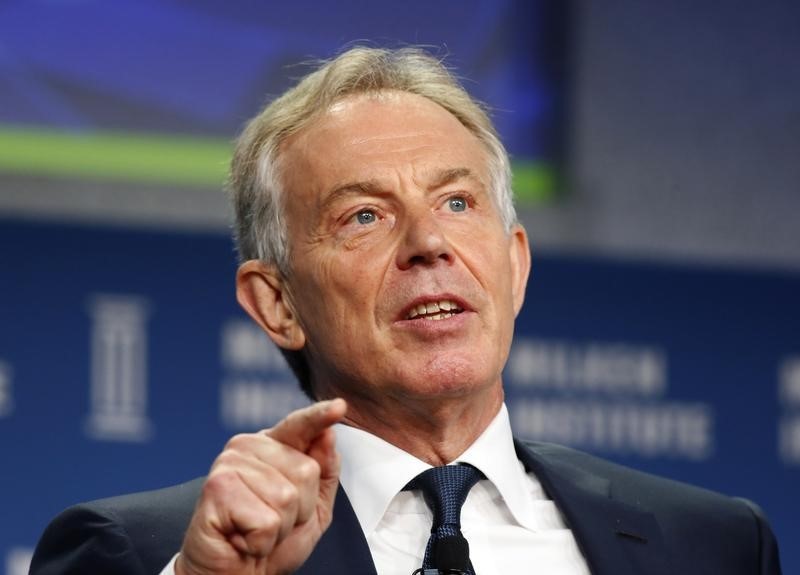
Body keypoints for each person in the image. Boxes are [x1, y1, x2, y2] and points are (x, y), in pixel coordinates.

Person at [30, 46, 781, 575]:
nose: (429, 243)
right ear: (278, 302)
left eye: (457, 201)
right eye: (363, 215)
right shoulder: (137, 552)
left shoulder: (712, 544)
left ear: (514, 264)